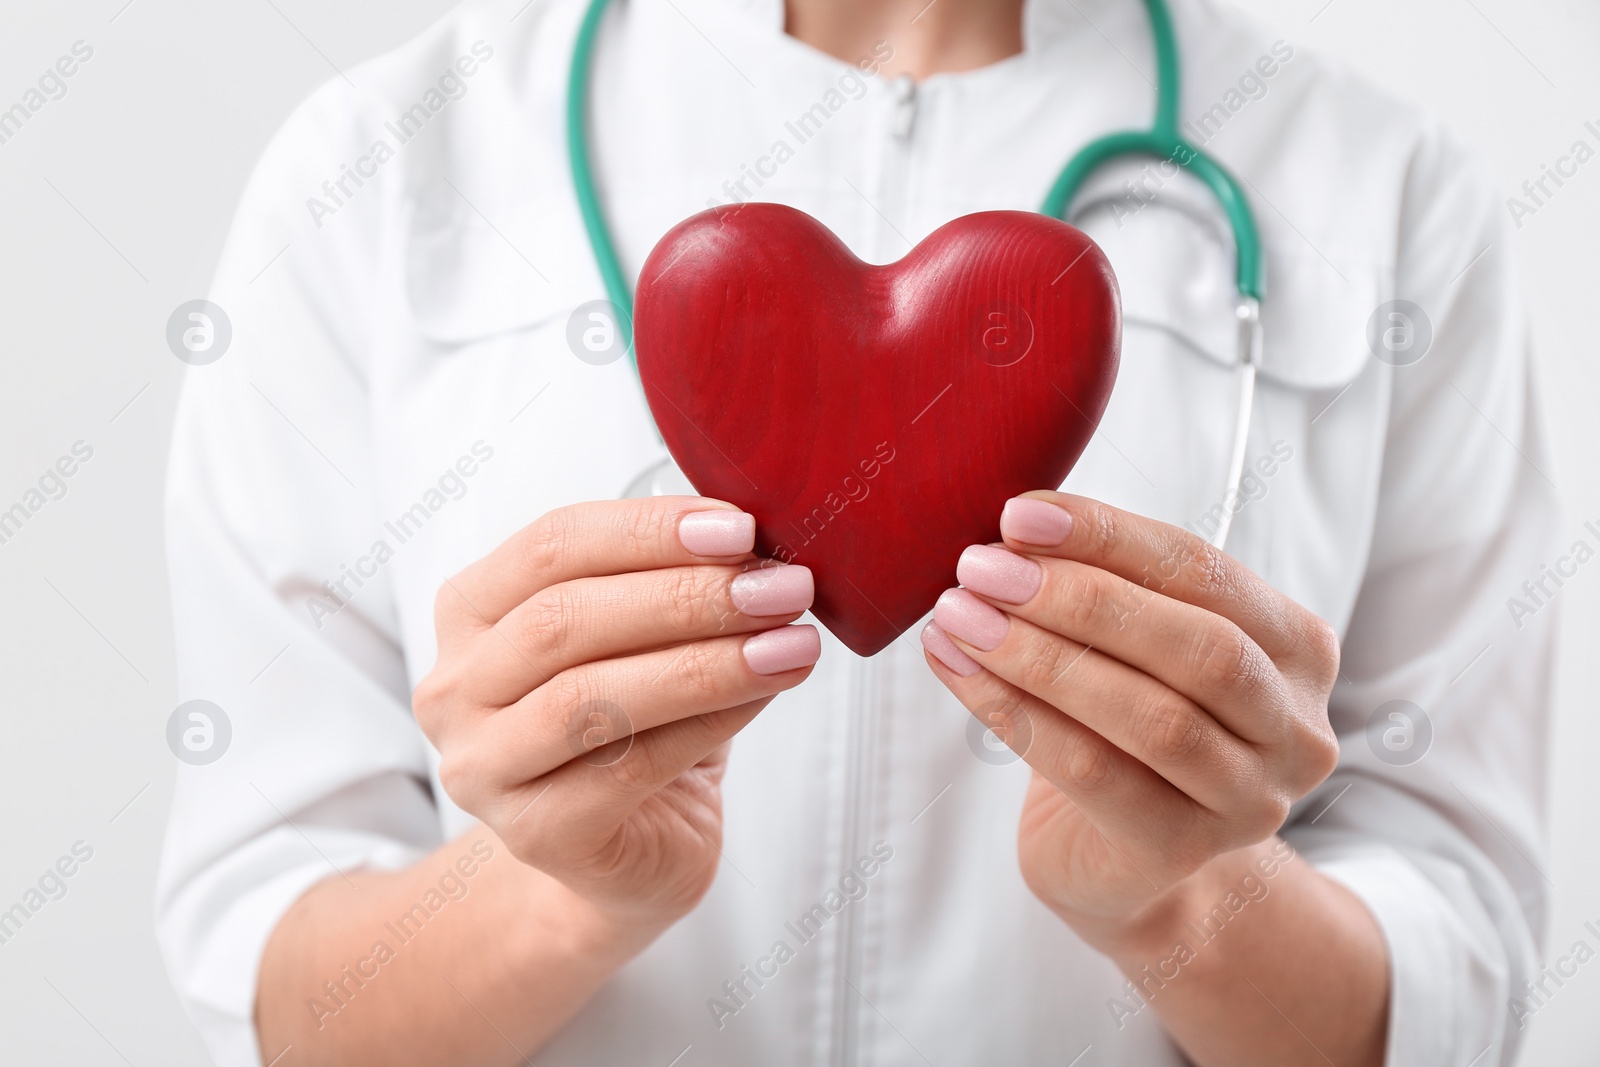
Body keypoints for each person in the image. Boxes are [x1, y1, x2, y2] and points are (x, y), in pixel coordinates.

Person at [156, 0, 1558, 1063]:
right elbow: (269, 969)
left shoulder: (1391, 199)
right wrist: (555, 900)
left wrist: (1176, 906)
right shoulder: (380, 172)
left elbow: (1461, 961)